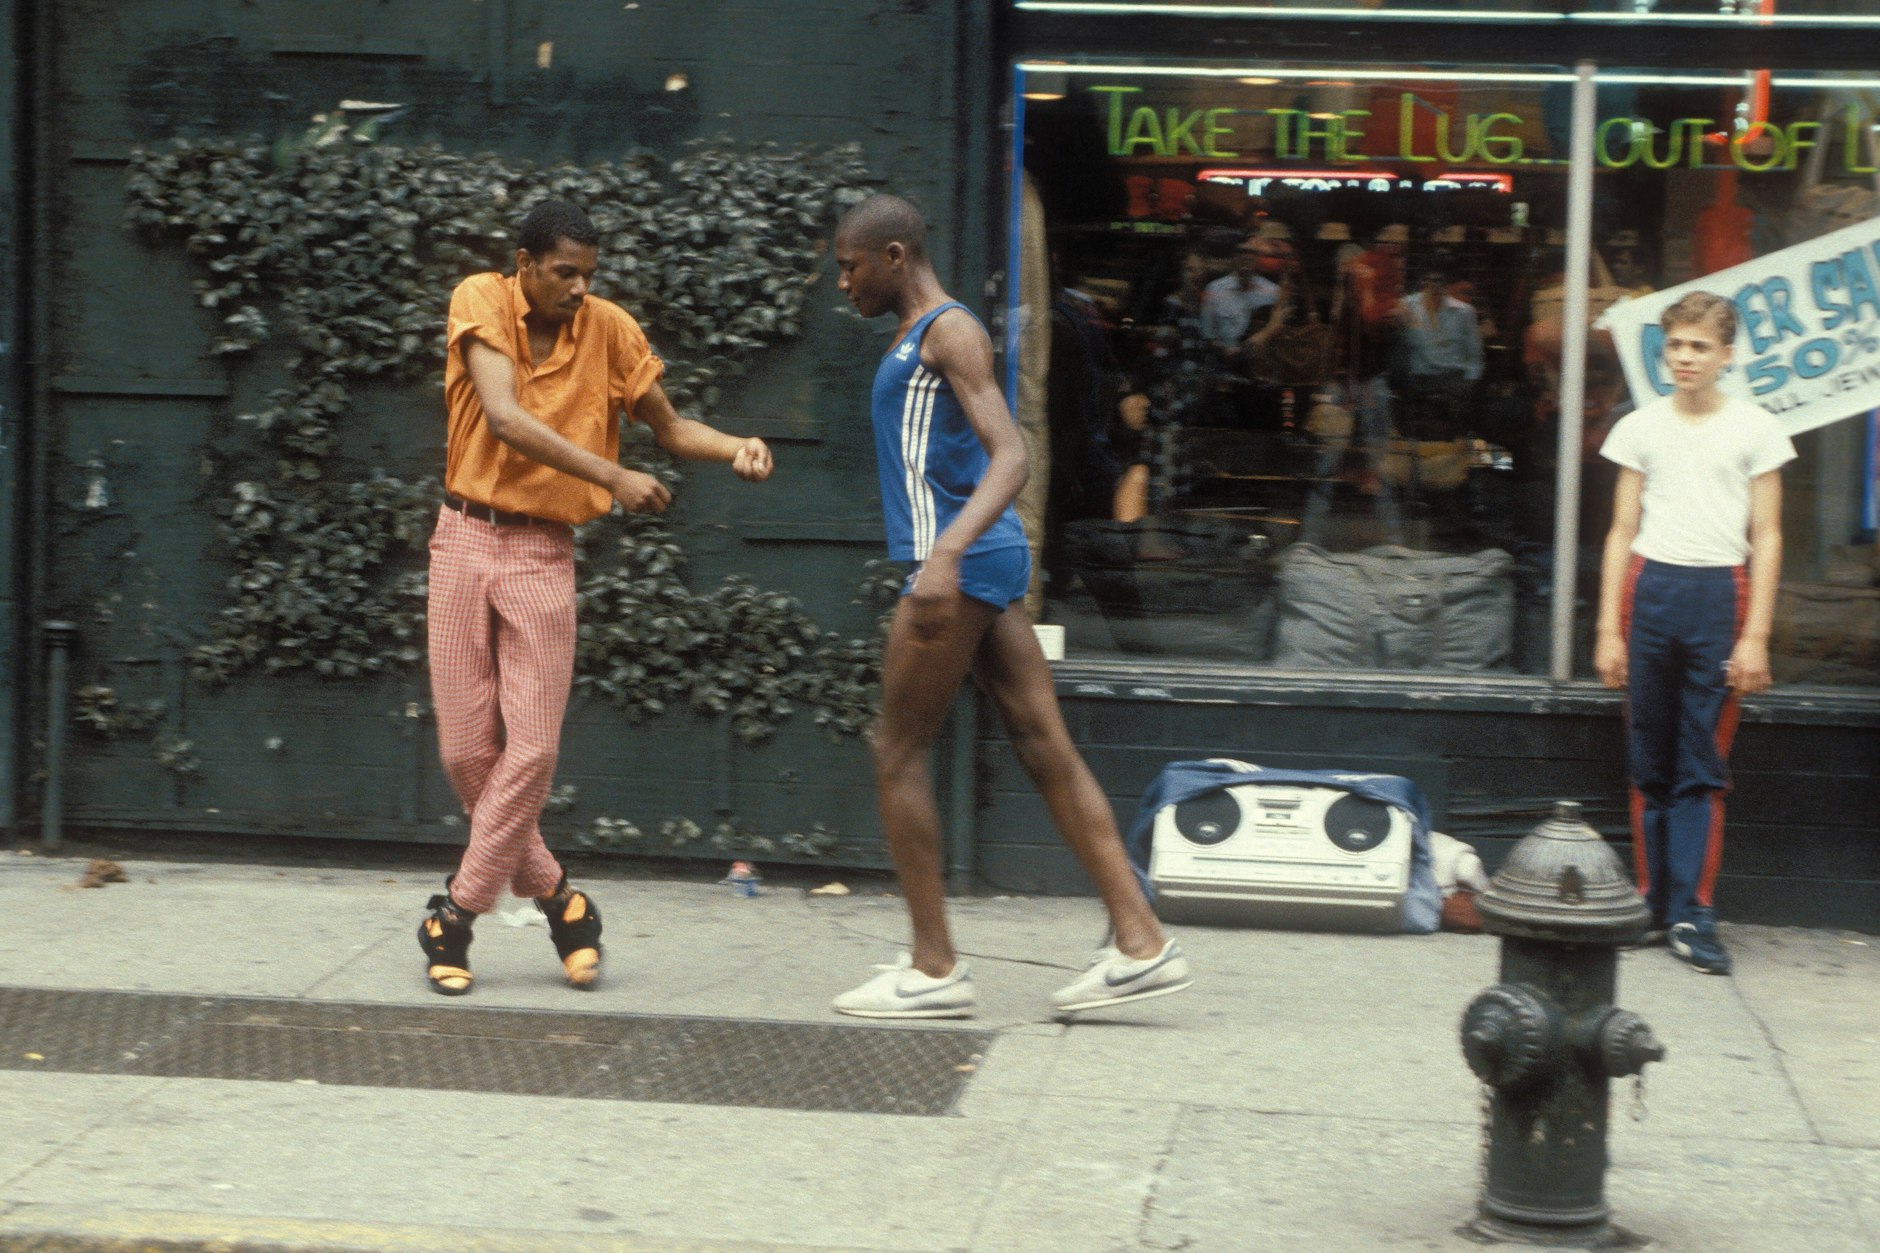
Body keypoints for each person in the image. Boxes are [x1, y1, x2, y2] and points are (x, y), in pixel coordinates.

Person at [830, 193, 1192, 1018]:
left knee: (895, 749)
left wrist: (944, 558)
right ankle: (1142, 942)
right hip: (979, 564)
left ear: (893, 254)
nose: (843, 284)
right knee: (1042, 744)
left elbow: (1013, 455)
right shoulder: (922, 333)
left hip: (956, 566)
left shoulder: (947, 330)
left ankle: (933, 968)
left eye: (849, 267)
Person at [418, 199, 773, 996]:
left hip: (543, 550)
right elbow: (504, 418)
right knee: (465, 754)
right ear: (525, 264)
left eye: (590, 274)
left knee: (534, 751)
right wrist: (612, 475)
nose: (580, 288)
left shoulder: (609, 328)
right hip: (464, 538)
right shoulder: (480, 297)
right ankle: (562, 901)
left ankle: (453, 917)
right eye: (564, 272)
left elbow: (672, 429)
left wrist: (735, 447)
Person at [1594, 291, 1794, 977]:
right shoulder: (1639, 427)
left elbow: (1766, 534)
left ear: (1727, 355)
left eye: (1699, 347)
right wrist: (1606, 631)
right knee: (1648, 757)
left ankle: (1693, 910)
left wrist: (1756, 635)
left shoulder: (1756, 427)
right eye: (1675, 345)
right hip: (1649, 589)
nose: (1684, 357)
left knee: (1700, 764)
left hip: (1720, 592)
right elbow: (1621, 529)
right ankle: (1651, 903)